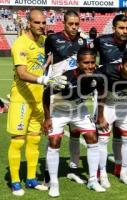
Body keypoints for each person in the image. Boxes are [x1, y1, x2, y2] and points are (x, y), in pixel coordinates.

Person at [7, 9, 66, 196]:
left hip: (39, 100)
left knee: (35, 139)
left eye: (43, 22)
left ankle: (31, 179)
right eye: (37, 23)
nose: (41, 26)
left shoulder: (42, 42)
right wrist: (43, 80)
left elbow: (45, 62)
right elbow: (22, 73)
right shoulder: (20, 43)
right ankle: (16, 181)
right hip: (21, 100)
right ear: (28, 23)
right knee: (18, 141)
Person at [43, 48, 105, 197]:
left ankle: (92, 181)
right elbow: (46, 94)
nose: (90, 66)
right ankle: (53, 183)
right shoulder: (66, 78)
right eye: (86, 63)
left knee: (92, 137)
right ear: (78, 63)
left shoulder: (98, 77)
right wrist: (47, 118)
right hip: (59, 110)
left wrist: (101, 116)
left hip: (79, 110)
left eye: (92, 63)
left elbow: (102, 95)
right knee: (54, 140)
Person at [44, 10, 88, 185]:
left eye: (77, 24)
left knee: (76, 133)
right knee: (54, 136)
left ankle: (74, 169)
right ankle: (48, 174)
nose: (74, 27)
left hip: (76, 92)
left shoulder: (82, 41)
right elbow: (47, 60)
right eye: (71, 24)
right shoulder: (53, 39)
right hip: (57, 93)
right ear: (64, 23)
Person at [94, 14, 127, 177]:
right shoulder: (101, 41)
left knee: (122, 134)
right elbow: (91, 59)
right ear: (114, 28)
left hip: (125, 95)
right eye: (121, 28)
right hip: (105, 93)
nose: (125, 31)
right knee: (102, 133)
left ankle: (120, 168)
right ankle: (99, 171)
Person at [95, 51, 127, 188]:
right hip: (107, 106)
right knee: (103, 140)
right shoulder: (107, 70)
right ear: (122, 66)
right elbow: (101, 94)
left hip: (126, 106)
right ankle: (102, 174)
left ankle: (123, 172)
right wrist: (100, 116)